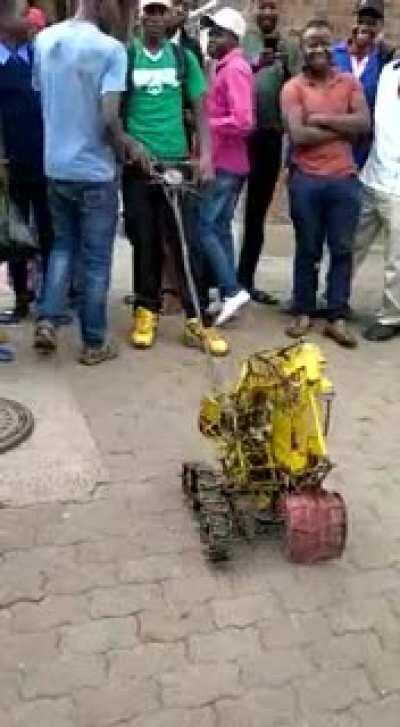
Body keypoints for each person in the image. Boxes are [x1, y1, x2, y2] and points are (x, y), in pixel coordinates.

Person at [33, 0, 141, 364]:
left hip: (55, 166)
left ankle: (47, 317)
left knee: (63, 246)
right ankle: (94, 342)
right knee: (95, 261)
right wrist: (126, 144)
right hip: (94, 171)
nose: (122, 11)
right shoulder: (111, 50)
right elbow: (109, 115)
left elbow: (42, 94)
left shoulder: (45, 40)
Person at [123, 0, 228, 355]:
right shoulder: (127, 57)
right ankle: (145, 310)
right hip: (139, 168)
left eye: (160, 12)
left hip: (178, 165)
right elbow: (115, 110)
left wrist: (207, 157)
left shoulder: (184, 58)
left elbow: (201, 111)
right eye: (148, 12)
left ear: (170, 17)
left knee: (186, 243)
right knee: (145, 240)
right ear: (141, 17)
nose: (154, 18)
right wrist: (130, 147)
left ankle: (196, 320)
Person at [282, 19, 370, 348]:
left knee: (343, 250)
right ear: (302, 50)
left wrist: (321, 119)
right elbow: (299, 135)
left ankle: (336, 316)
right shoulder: (293, 87)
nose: (317, 49)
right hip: (306, 180)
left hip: (344, 180)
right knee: (308, 248)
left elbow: (363, 123)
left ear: (331, 46)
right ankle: (303, 309)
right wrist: (342, 128)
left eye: (322, 42)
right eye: (310, 44)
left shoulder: (349, 83)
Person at [237, 0, 300, 305]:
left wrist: (285, 64)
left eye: (272, 7)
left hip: (270, 138)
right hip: (238, 137)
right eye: (262, 6)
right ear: (253, 10)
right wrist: (256, 63)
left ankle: (245, 281)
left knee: (255, 214)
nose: (267, 13)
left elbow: (299, 87)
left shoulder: (290, 46)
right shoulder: (240, 39)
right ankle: (218, 281)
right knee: (220, 210)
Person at [198, 7, 253, 327]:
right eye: (210, 33)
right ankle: (227, 292)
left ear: (233, 37)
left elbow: (244, 121)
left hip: (226, 163)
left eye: (217, 33)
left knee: (206, 227)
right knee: (218, 228)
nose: (211, 39)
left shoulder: (235, 69)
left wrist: (207, 123)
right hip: (225, 161)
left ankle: (231, 290)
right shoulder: (223, 67)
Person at [0, 1, 52, 325]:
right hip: (9, 163)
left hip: (45, 159)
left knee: (49, 231)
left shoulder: (40, 58)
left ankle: (50, 298)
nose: (28, 24)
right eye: (20, 18)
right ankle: (21, 298)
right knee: (13, 234)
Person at [352, 59, 400, 341]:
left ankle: (391, 316)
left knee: (396, 257)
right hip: (372, 176)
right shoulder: (388, 71)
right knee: (351, 243)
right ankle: (335, 301)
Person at [332, 0, 393, 169]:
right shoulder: (334, 55)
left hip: (365, 148)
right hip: (334, 140)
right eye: (362, 21)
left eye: (372, 23)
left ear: (380, 28)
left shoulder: (383, 59)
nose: (366, 27)